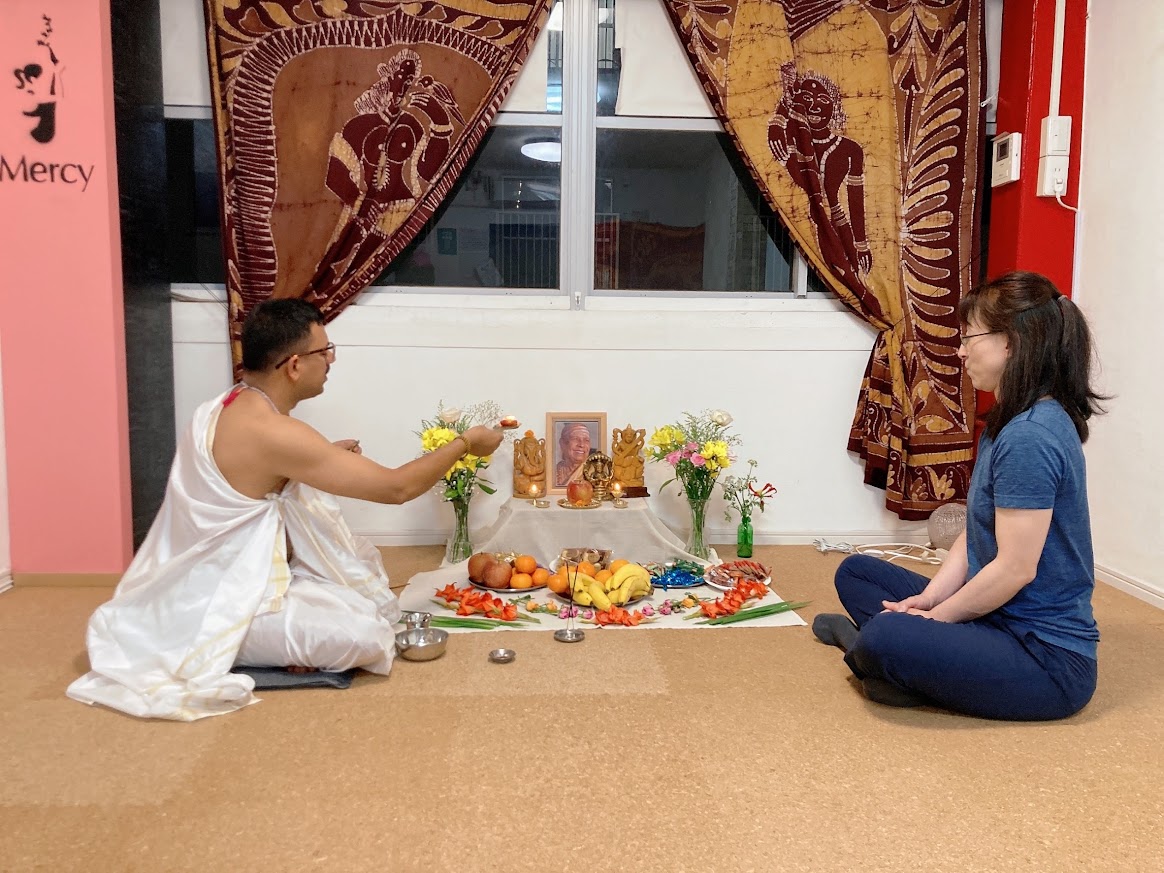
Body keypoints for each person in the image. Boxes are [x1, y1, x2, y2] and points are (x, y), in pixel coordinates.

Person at [67, 299, 503, 721]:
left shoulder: (231, 404)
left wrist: (318, 460)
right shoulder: (273, 432)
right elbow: (397, 488)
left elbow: (255, 476)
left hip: (206, 576)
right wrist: (467, 443)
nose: (331, 360)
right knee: (364, 636)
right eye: (324, 351)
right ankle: (206, 644)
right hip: (212, 599)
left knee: (363, 570)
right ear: (294, 365)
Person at [813, 271, 1107, 720]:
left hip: (1045, 660)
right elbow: (976, 534)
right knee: (857, 572)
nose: (961, 349)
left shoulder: (1030, 437)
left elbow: (1015, 569)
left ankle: (879, 654)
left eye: (970, 337)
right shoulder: (1007, 421)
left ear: (1011, 343)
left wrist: (936, 620)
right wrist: (930, 600)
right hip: (991, 617)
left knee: (888, 636)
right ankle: (905, 666)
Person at [554, 422, 592, 487]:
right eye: (575, 439)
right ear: (562, 443)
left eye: (586, 440)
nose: (581, 445)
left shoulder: (593, 473)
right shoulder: (552, 472)